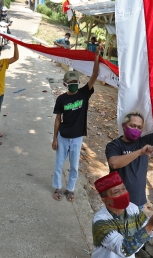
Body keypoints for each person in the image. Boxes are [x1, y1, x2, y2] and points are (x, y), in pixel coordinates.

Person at [52, 49, 100, 202]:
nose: (73, 85)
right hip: (63, 136)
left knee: (74, 166)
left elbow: (94, 76)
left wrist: (97, 58)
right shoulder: (61, 99)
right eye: (70, 83)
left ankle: (70, 189)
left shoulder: (84, 93)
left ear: (78, 83)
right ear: (65, 84)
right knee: (59, 164)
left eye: (75, 82)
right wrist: (55, 138)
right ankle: (58, 188)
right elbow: (58, 119)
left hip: (77, 138)